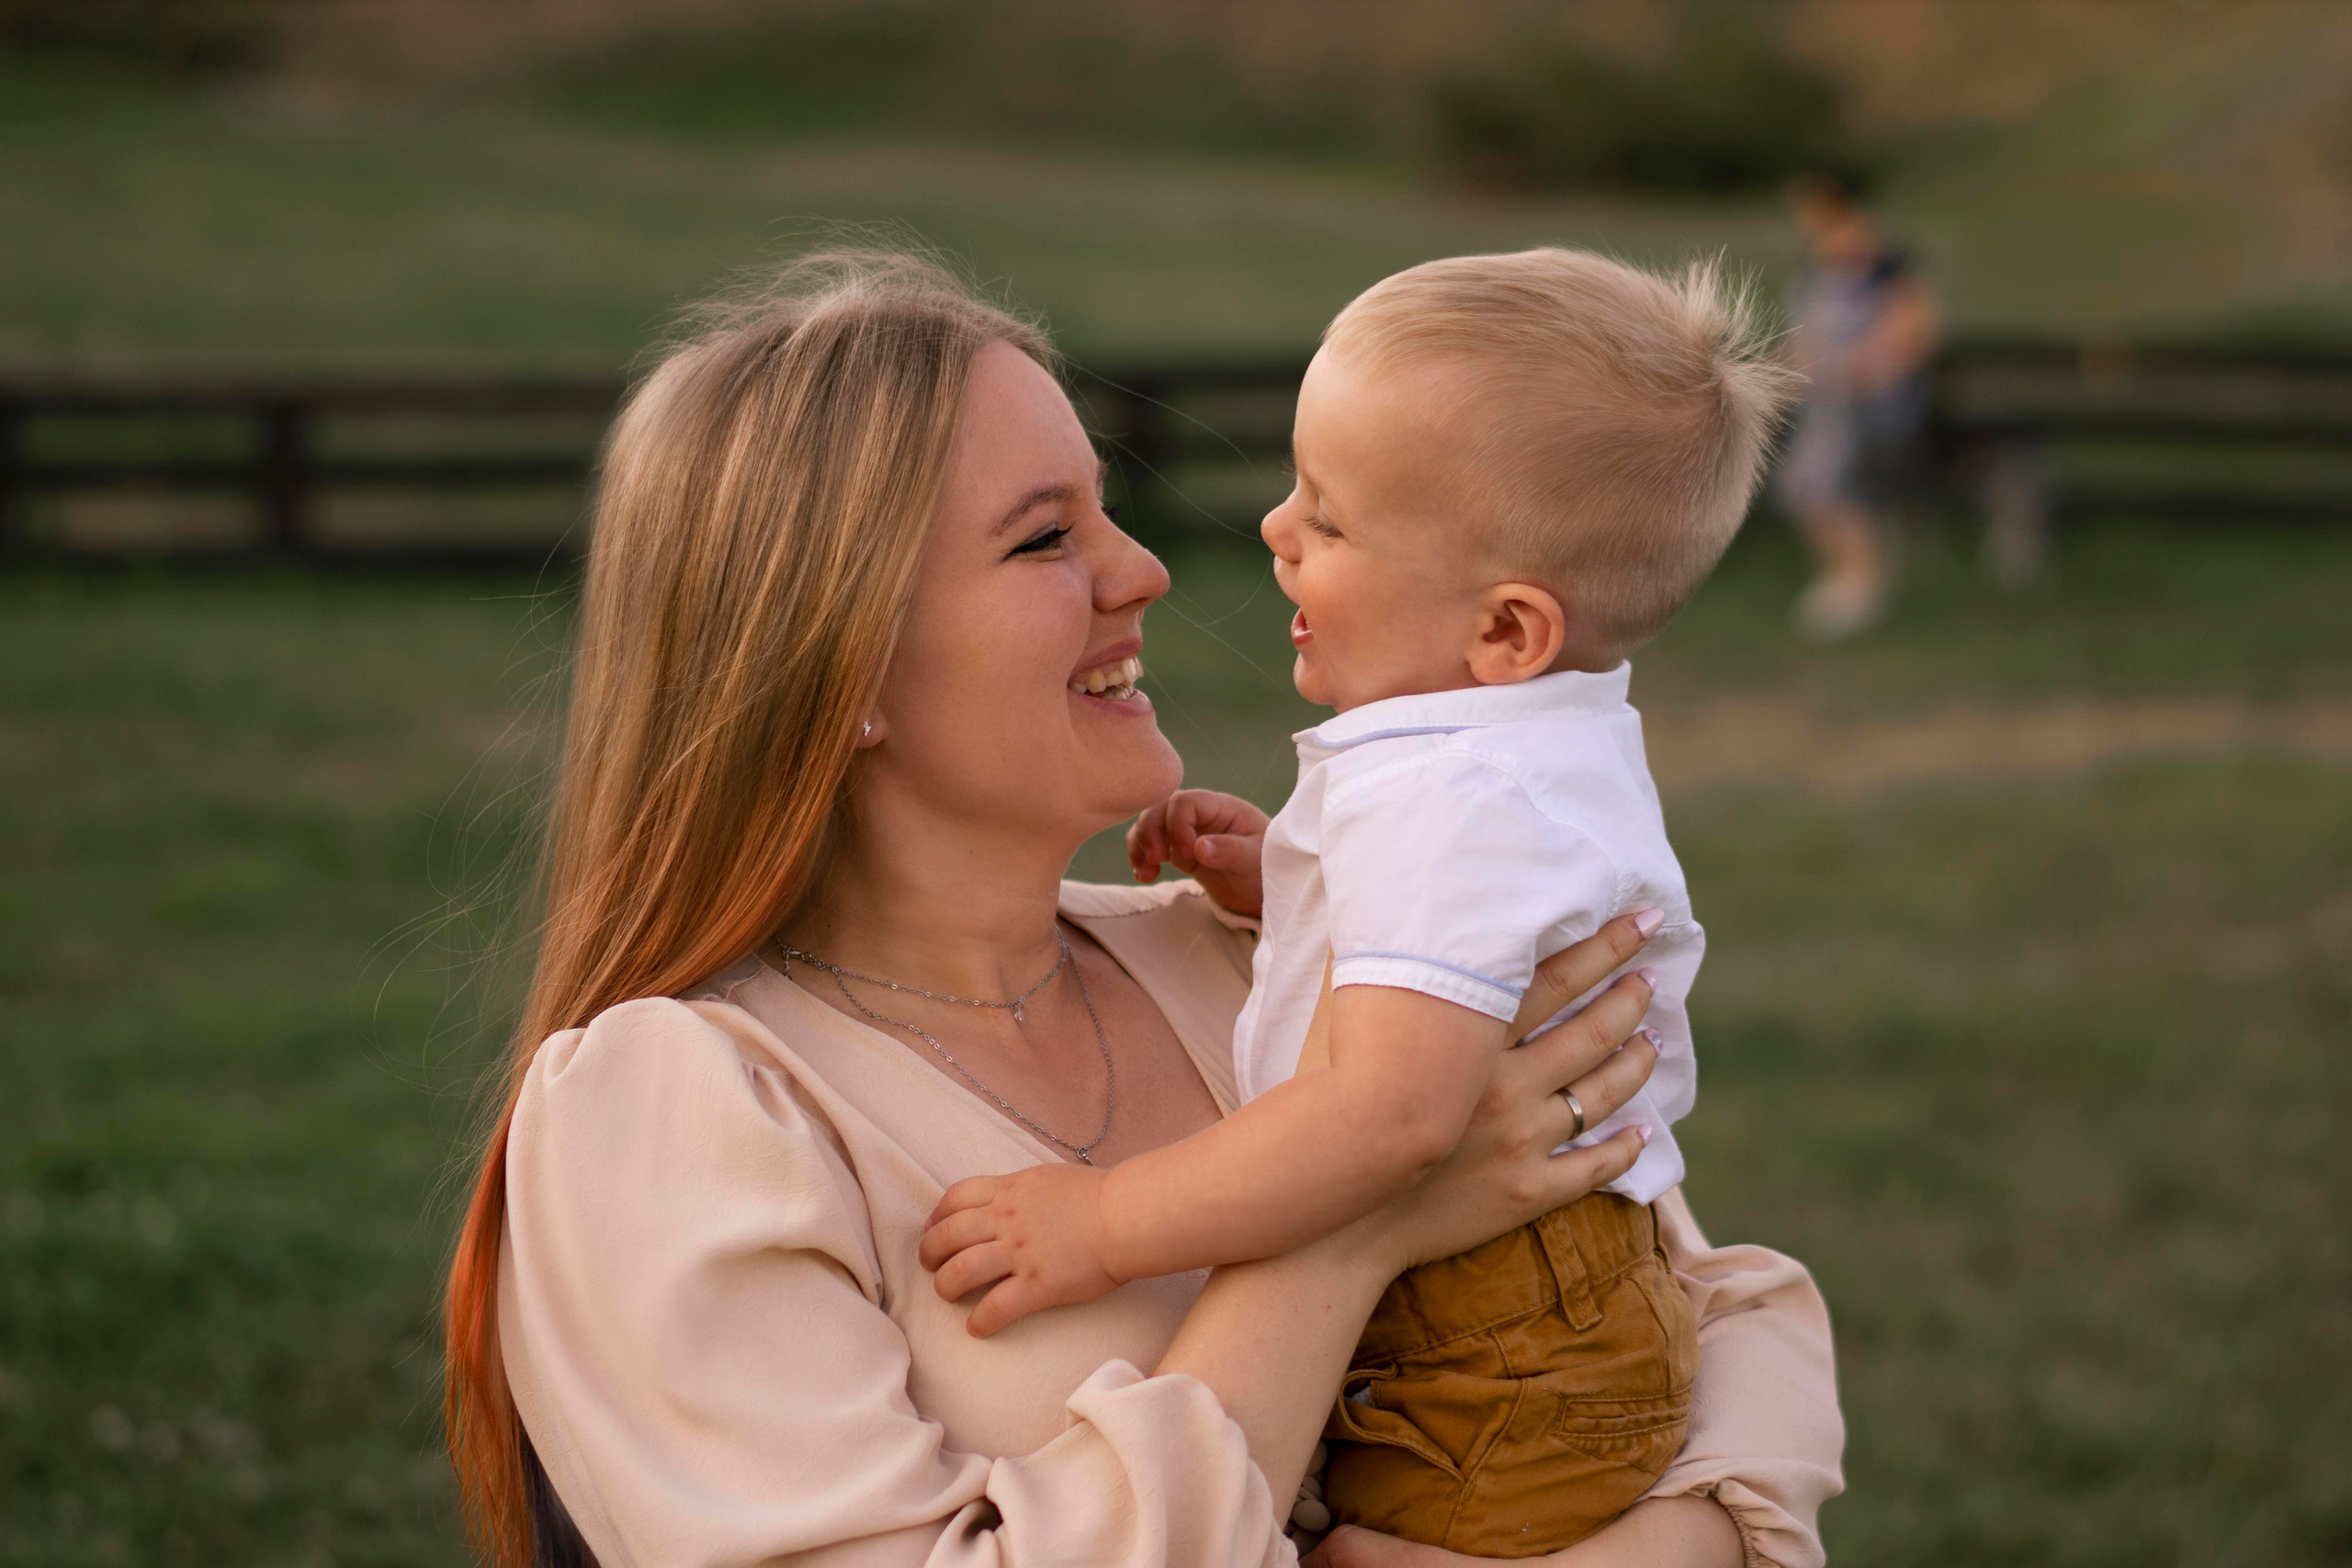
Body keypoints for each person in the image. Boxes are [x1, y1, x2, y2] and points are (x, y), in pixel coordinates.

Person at [439, 251, 1845, 1568]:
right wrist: (1349, 1223)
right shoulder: (681, 1104)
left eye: (1105, 511)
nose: (1146, 570)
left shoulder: (1257, 948)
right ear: (839, 663)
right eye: (1047, 536)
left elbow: (1730, 1307)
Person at [921, 251, 1801, 1556]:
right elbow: (1469, 952)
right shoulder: (1514, 755)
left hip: (1496, 1351)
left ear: (1506, 632)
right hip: (1560, 1308)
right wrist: (1301, 883)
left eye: (1330, 522)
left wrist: (1102, 1224)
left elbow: (1390, 1114)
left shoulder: (1447, 795)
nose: (1275, 531)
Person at [1777, 168, 1941, 639]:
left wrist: (1846, 370)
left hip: (1878, 404)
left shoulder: (1889, 272)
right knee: (1804, 479)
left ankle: (1861, 581)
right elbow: (1803, 342)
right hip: (1826, 402)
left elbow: (1910, 343)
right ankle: (1844, 575)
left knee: (1827, 474)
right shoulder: (1815, 274)